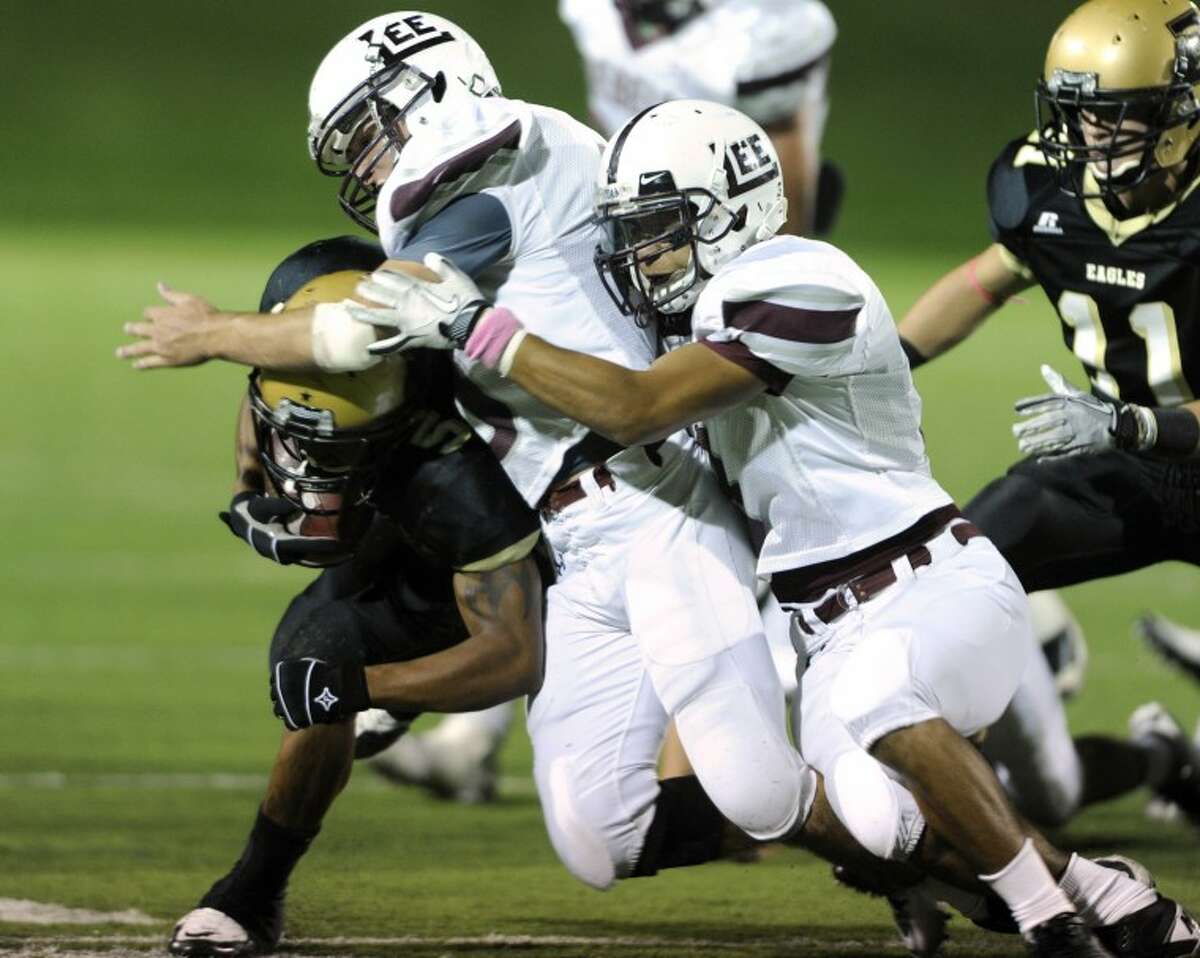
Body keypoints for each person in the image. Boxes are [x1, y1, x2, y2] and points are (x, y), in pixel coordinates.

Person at [351, 97, 1200, 957]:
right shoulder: (699, 312)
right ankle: (1103, 889)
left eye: (661, 228)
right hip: (826, 627)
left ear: (731, 209)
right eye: (633, 231)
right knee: (871, 821)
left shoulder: (801, 277)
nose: (642, 254)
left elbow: (635, 407)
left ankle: (1046, 917)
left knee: (892, 705)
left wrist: (477, 328)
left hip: (929, 583)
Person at [167, 240, 546, 958]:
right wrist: (247, 486)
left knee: (606, 834)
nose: (314, 468)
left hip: (553, 570)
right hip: (401, 498)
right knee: (314, 644)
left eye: (338, 450)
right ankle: (251, 894)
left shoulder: (457, 476)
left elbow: (515, 655)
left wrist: (361, 686)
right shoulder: (312, 296)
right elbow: (265, 386)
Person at [896, 0, 1200, 831]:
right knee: (956, 572)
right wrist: (887, 362)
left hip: (1153, 439)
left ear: (1180, 110)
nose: (1091, 138)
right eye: (1078, 116)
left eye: (1116, 117)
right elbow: (986, 279)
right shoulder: (1048, 184)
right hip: (1127, 457)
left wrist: (1131, 424)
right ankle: (922, 803)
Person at [559, 0, 841, 237]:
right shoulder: (595, 8)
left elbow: (779, 153)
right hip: (631, 208)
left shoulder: (760, 21)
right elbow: (606, 106)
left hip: (720, 224)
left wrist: (776, 269)